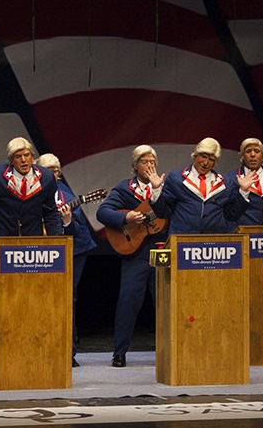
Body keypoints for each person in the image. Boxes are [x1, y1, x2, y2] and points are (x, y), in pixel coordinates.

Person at [96, 145, 171, 368]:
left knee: (166, 302)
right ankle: (119, 352)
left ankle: (170, 349)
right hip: (136, 254)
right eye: (145, 162)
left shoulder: (167, 187)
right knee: (128, 301)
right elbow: (102, 212)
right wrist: (126, 217)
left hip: (162, 250)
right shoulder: (124, 189)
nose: (149, 166)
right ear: (135, 165)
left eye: (152, 162)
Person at [36, 153, 96, 367]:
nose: (54, 174)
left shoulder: (64, 193)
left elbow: (75, 230)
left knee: (66, 296)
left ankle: (68, 351)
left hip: (74, 250)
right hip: (45, 250)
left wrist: (67, 220)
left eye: (56, 170)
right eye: (49, 170)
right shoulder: (33, 191)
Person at [151, 137, 252, 234]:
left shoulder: (226, 183)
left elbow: (232, 216)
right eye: (203, 156)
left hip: (215, 243)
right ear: (195, 155)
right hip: (182, 242)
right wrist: (156, 189)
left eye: (211, 159)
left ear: (215, 162)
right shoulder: (176, 179)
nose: (205, 163)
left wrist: (243, 191)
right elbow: (163, 213)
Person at [0, 137, 62, 242]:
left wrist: (57, 241)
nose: (23, 160)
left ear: (32, 157)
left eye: (26, 155)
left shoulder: (46, 177)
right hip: (2, 240)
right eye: (17, 156)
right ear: (11, 160)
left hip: (32, 241)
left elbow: (50, 212)